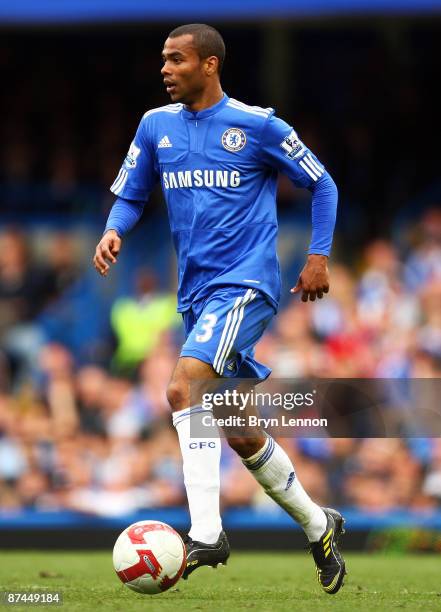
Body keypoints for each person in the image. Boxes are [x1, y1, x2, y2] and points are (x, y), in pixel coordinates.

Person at [93, 23, 345, 594]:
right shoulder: (155, 126)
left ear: (209, 65)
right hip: (196, 293)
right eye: (162, 59)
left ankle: (206, 533)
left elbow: (322, 183)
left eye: (176, 59)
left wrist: (319, 256)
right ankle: (317, 523)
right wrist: (114, 232)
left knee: (184, 389)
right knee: (236, 427)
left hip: (246, 285)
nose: (164, 69)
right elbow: (132, 193)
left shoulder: (257, 125)